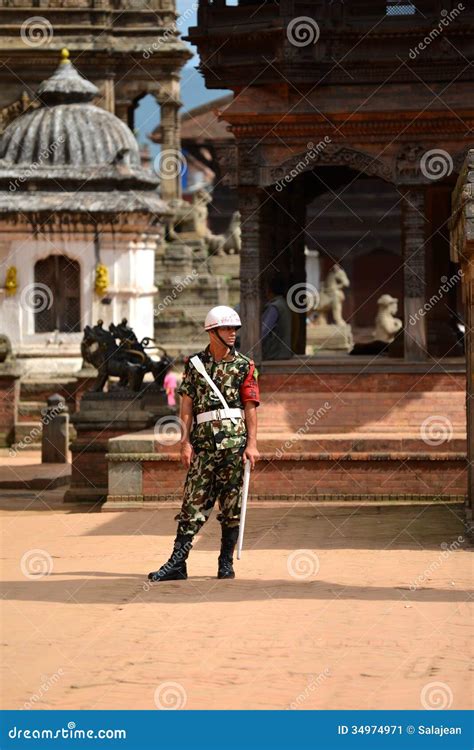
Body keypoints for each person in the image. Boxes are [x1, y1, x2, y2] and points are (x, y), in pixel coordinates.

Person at [148, 306, 260, 582]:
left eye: (235, 329)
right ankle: (178, 562)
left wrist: (252, 444)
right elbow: (186, 406)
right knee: (192, 504)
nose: (232, 333)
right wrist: (185, 443)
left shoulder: (245, 365)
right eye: (226, 329)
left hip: (234, 445)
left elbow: (250, 407)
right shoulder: (195, 364)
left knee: (232, 506)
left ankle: (225, 563)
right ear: (212, 332)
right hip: (204, 446)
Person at [261, 276, 293, 360]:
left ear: (270, 290)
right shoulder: (282, 303)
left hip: (275, 354)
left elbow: (263, 332)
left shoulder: (274, 307)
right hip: (283, 353)